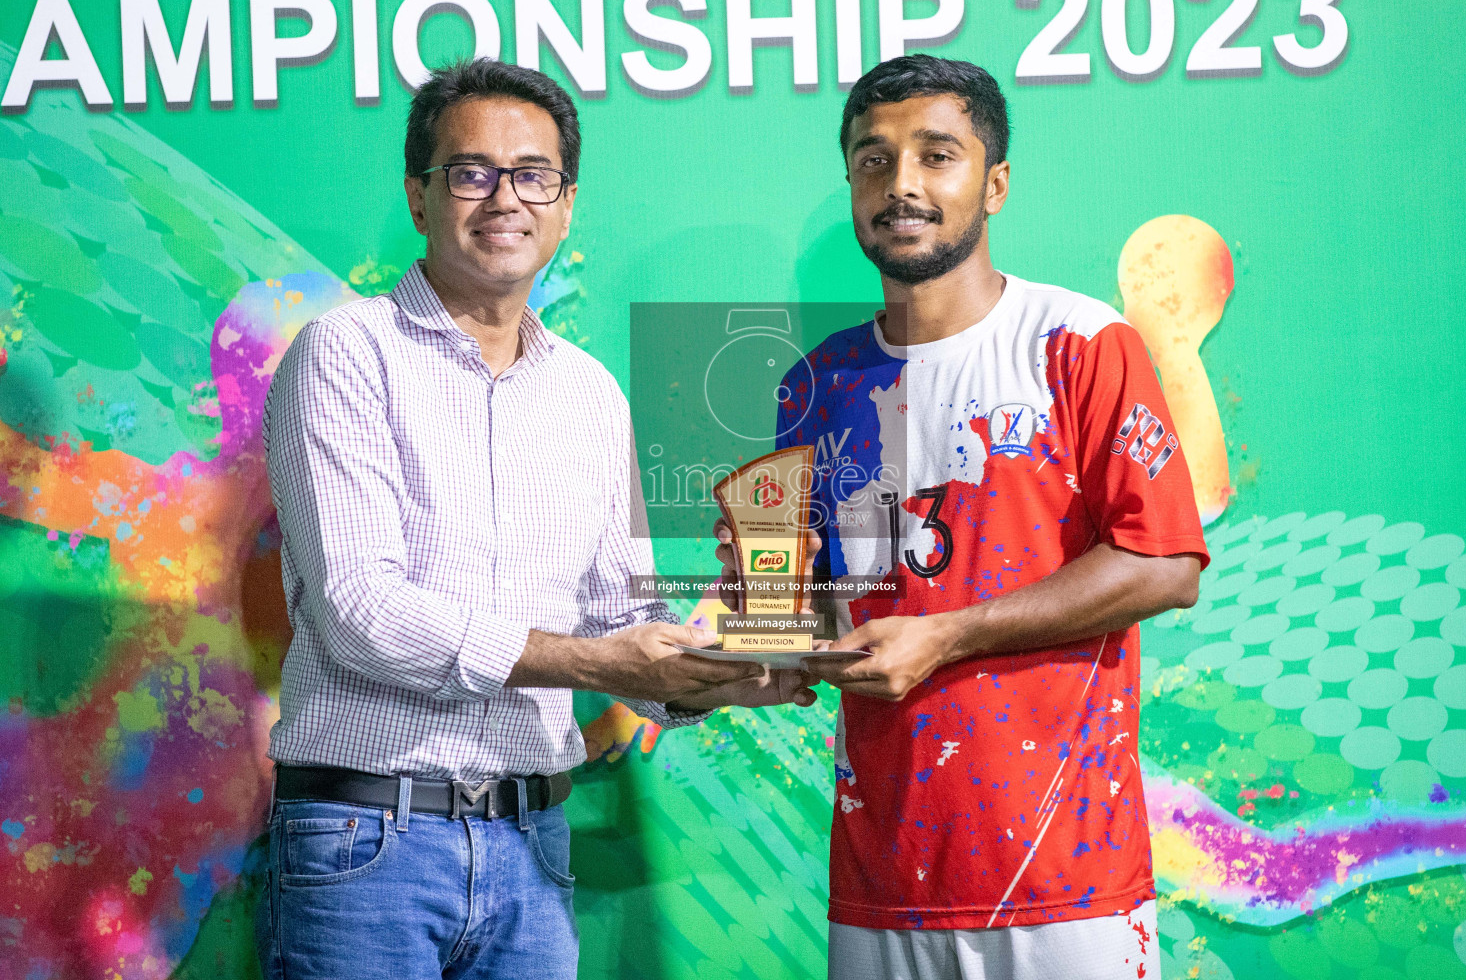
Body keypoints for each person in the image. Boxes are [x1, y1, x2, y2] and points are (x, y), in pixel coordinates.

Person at [259, 58, 810, 980]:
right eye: (470, 172)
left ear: (565, 202)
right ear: (418, 195)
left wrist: (720, 680)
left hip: (534, 849)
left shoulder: (590, 395)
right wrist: (598, 662)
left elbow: (617, 622)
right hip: (365, 845)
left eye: (533, 175)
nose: (503, 198)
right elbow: (362, 610)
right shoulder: (345, 355)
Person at [717, 54, 1208, 979]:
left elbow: (1164, 563)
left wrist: (946, 637)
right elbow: (828, 621)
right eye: (873, 160)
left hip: (1067, 881)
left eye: (936, 155)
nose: (901, 185)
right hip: (881, 877)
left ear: (995, 183)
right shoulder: (814, 385)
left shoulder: (1079, 343)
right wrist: (766, 619)